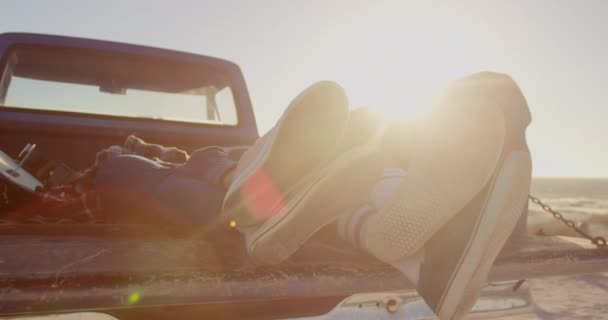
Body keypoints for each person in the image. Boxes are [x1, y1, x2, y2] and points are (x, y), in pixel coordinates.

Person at [95, 74, 532, 319]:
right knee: (210, 163)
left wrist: (117, 156)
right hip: (287, 225)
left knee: (150, 170)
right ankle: (402, 230)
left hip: (232, 219)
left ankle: (250, 190)